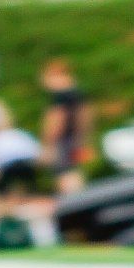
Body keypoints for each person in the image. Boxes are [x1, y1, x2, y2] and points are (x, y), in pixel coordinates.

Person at [38, 56, 93, 192]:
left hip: (62, 142)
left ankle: (75, 201)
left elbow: (57, 120)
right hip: (75, 139)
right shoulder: (77, 93)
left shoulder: (59, 96)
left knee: (64, 174)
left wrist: (48, 145)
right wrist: (83, 138)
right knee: (75, 171)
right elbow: (86, 115)